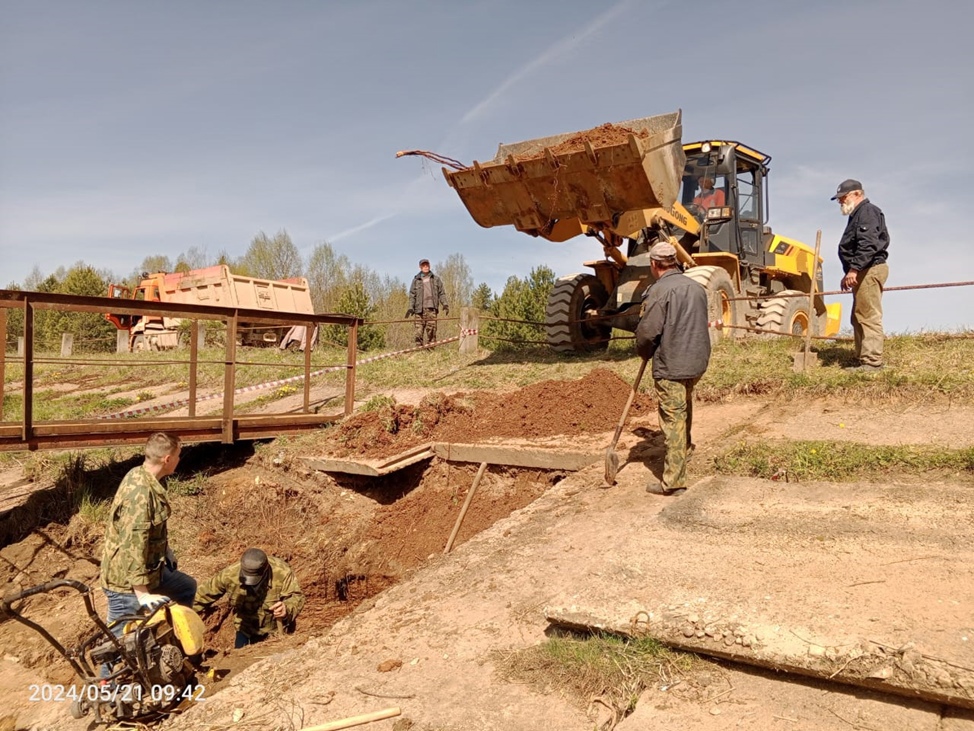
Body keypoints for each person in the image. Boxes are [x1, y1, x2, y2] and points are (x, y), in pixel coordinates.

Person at [635, 242, 712, 496]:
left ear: (655, 264)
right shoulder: (697, 288)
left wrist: (644, 350)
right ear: (675, 261)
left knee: (673, 418)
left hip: (672, 364)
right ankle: (684, 451)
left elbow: (648, 332)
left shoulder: (659, 291)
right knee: (684, 406)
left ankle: (674, 481)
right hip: (696, 361)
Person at [100, 433, 197, 632]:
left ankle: (169, 644)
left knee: (185, 588)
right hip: (126, 585)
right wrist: (142, 594)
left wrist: (166, 551)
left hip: (153, 571)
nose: (179, 459)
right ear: (167, 459)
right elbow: (133, 546)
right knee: (120, 650)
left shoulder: (142, 474)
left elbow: (150, 531)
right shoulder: (141, 496)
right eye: (178, 455)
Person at [194, 548, 305, 649]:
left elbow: (296, 597)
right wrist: (181, 613)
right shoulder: (229, 574)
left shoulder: (282, 572)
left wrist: (286, 608)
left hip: (273, 632)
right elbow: (202, 595)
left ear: (265, 571)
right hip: (244, 629)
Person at [832, 179, 890, 372]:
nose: (840, 201)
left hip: (869, 269)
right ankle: (862, 358)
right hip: (862, 270)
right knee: (858, 316)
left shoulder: (867, 212)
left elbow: (868, 243)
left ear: (857, 194)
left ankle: (872, 362)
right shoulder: (858, 214)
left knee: (868, 315)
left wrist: (854, 269)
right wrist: (850, 271)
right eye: (839, 198)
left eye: (843, 197)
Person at [407, 258, 449, 347]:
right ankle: (418, 351)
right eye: (423, 265)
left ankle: (431, 353)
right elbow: (412, 295)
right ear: (420, 267)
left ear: (429, 266)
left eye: (427, 265)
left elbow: (441, 293)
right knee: (418, 332)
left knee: (432, 332)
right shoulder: (416, 280)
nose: (425, 267)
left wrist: (445, 304)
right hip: (419, 310)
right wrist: (410, 307)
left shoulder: (436, 279)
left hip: (431, 309)